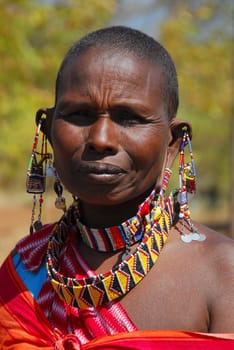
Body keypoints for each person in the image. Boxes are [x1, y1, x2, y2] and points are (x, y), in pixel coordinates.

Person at [0, 26, 234, 349]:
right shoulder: (23, 271)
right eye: (79, 115)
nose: (101, 139)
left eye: (129, 118)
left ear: (174, 143)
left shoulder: (222, 274)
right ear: (48, 130)